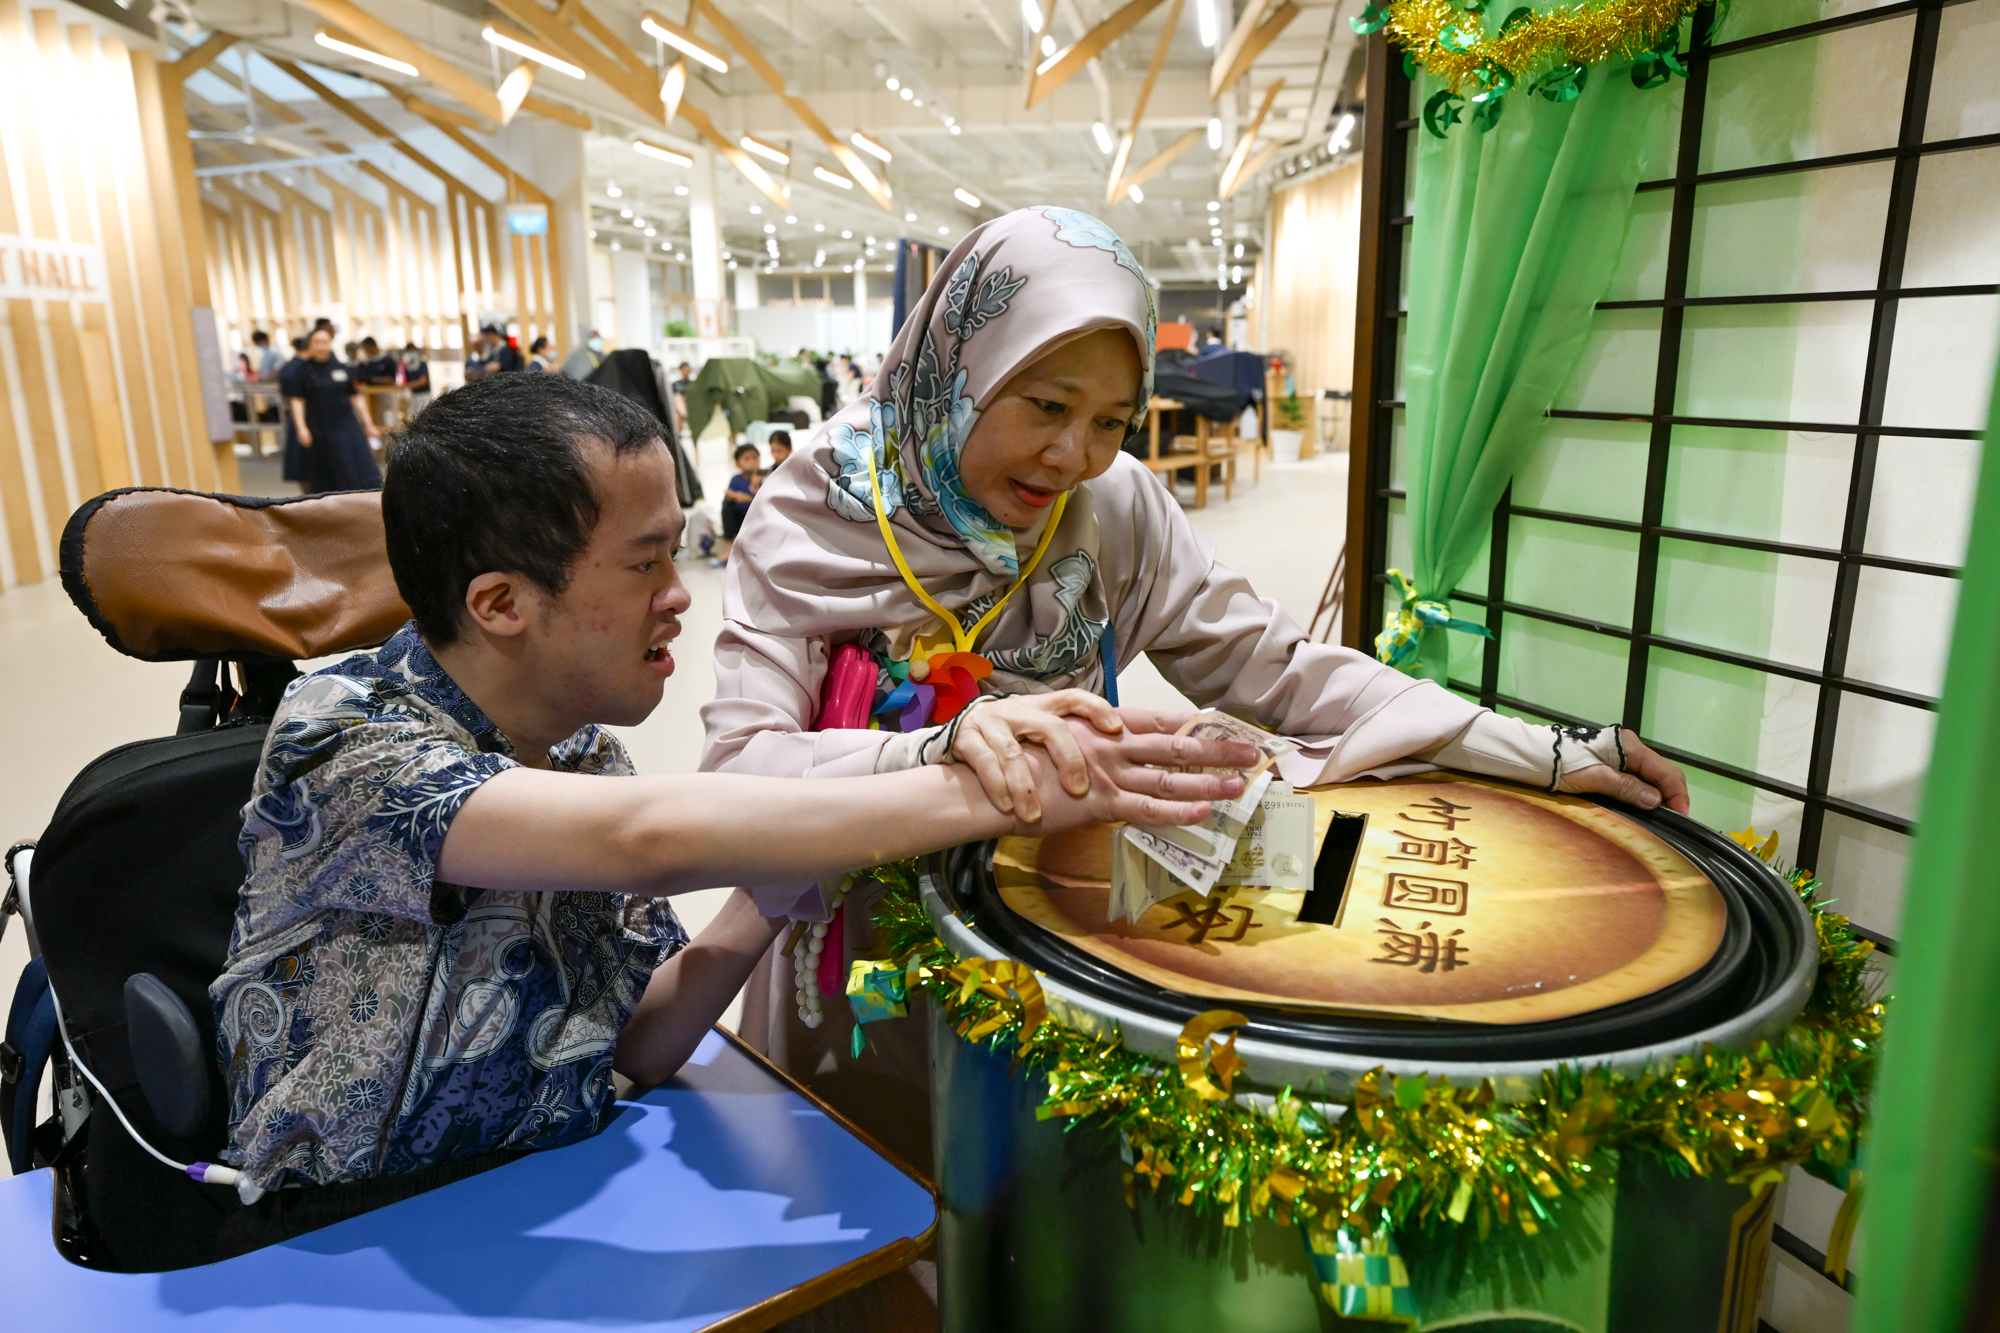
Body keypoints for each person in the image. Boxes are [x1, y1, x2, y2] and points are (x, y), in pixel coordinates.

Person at [699, 207, 1691, 1152]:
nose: (1071, 456)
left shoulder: (1109, 508)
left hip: (1054, 929)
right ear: (961, 362)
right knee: (886, 1174)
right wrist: (930, 751)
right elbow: (737, 774)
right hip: (865, 929)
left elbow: (1277, 667)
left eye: (1109, 421)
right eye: (1044, 407)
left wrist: (1544, 757)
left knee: (1018, 1202)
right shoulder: (820, 511)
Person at [210, 372, 1253, 1201]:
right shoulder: (344, 746)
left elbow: (644, 1038)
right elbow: (648, 838)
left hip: (536, 1198)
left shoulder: (576, 751)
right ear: (499, 602)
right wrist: (998, 771)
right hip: (346, 1229)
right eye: (645, 564)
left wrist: (794, 861)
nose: (680, 598)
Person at [286, 326, 382, 494]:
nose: (321, 346)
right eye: (317, 342)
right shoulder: (302, 371)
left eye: (325, 342)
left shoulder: (341, 367)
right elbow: (297, 400)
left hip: (346, 424)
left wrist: (369, 423)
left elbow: (355, 396)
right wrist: (301, 428)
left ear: (330, 344)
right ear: (310, 345)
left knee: (357, 466)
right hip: (319, 427)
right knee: (328, 471)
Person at [712, 441, 761, 567]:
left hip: (757, 518)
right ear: (738, 464)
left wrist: (749, 498)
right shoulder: (736, 479)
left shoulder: (764, 478)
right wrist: (732, 496)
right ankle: (729, 549)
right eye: (746, 459)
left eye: (755, 457)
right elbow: (727, 500)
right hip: (740, 520)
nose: (752, 461)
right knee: (727, 507)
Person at [277, 335, 309, 491]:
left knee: (302, 465)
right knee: (304, 464)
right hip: (304, 418)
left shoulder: (288, 366)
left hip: (294, 417)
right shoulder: (301, 368)